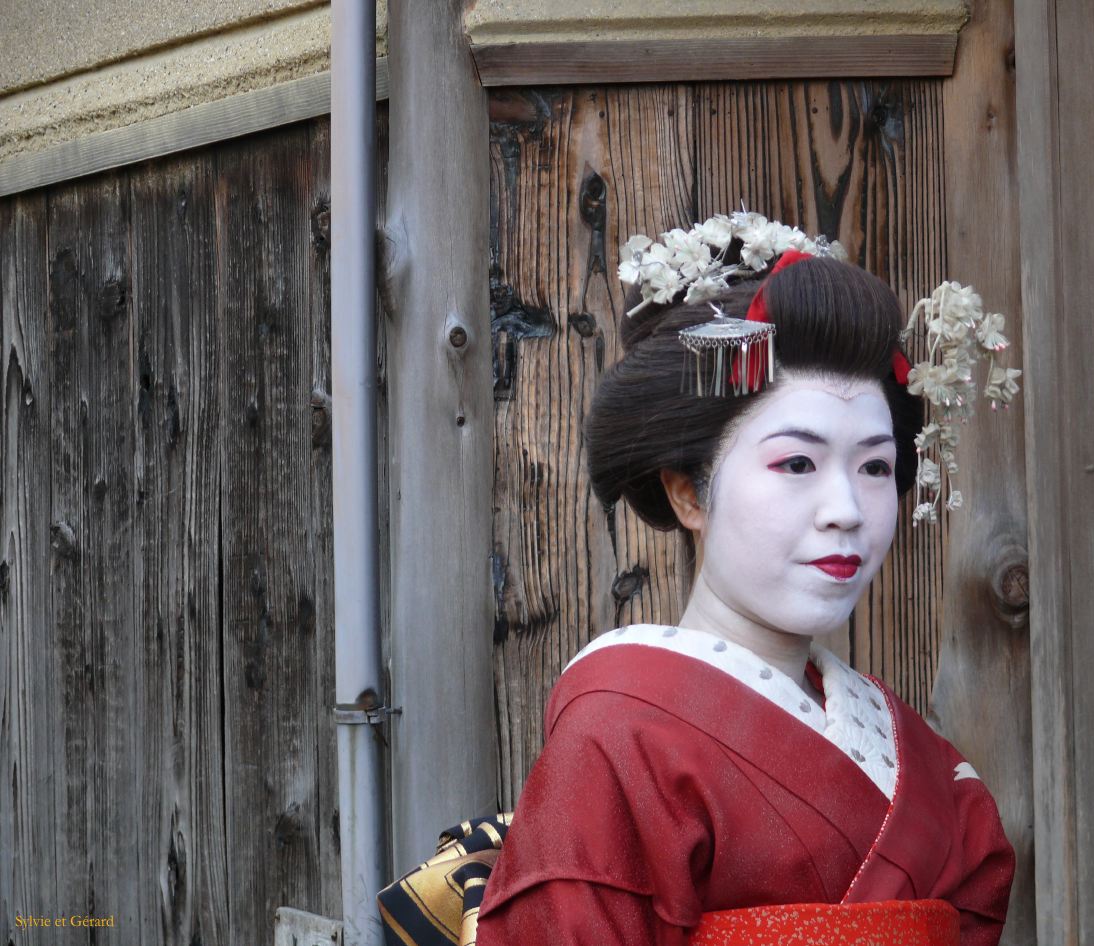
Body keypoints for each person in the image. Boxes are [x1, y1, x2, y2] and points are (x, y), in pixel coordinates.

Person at [381, 217, 1016, 946]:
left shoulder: (923, 763)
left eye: (875, 467)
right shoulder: (617, 739)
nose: (847, 511)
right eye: (797, 464)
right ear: (688, 492)